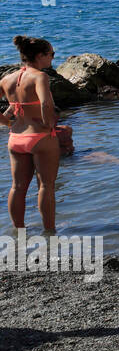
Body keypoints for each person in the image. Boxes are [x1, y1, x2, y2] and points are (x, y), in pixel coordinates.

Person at [2, 36, 60, 231]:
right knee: (46, 186)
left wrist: (7, 122)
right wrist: (48, 123)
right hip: (40, 137)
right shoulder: (40, 76)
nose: (53, 58)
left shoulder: (7, 79)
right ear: (39, 56)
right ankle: (50, 232)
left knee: (17, 187)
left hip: (16, 137)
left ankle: (18, 230)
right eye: (51, 54)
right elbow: (44, 102)